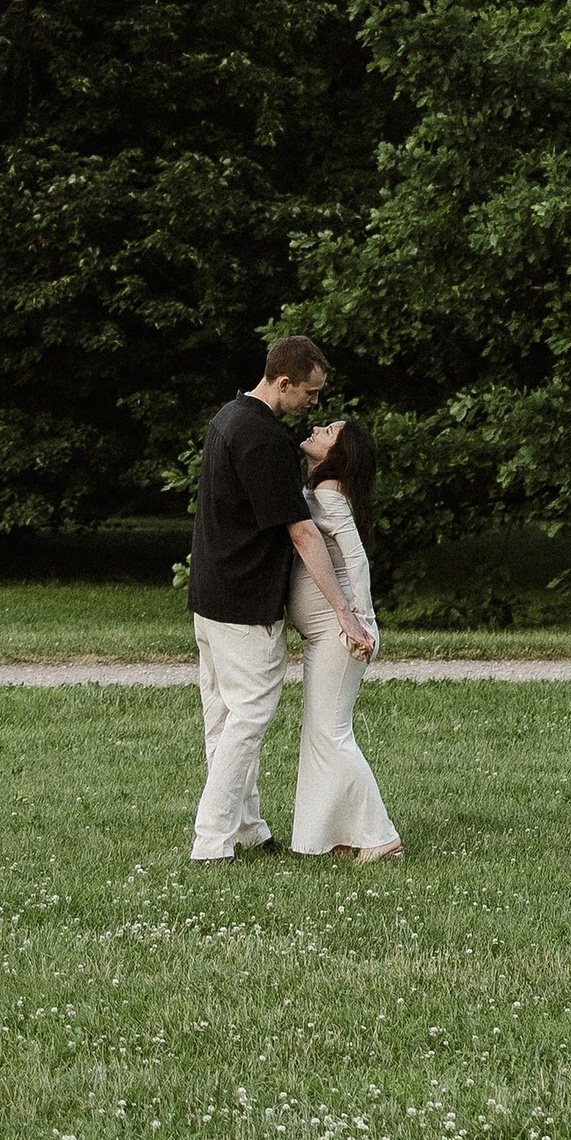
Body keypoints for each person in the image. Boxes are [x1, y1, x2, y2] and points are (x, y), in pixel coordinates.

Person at [186, 333, 356, 863]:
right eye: (310, 392)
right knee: (248, 720)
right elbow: (302, 533)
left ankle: (247, 830)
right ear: (283, 383)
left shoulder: (227, 419)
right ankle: (211, 841)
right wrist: (344, 610)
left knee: (224, 718)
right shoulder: (264, 442)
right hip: (243, 601)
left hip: (210, 596)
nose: (314, 403)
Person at [290, 414, 401, 862]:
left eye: (329, 432)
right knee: (320, 734)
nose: (317, 429)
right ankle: (331, 836)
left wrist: (358, 621)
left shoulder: (330, 495)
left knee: (331, 735)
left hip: (341, 633)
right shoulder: (320, 491)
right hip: (326, 633)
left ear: (340, 454)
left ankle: (379, 838)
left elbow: (357, 562)